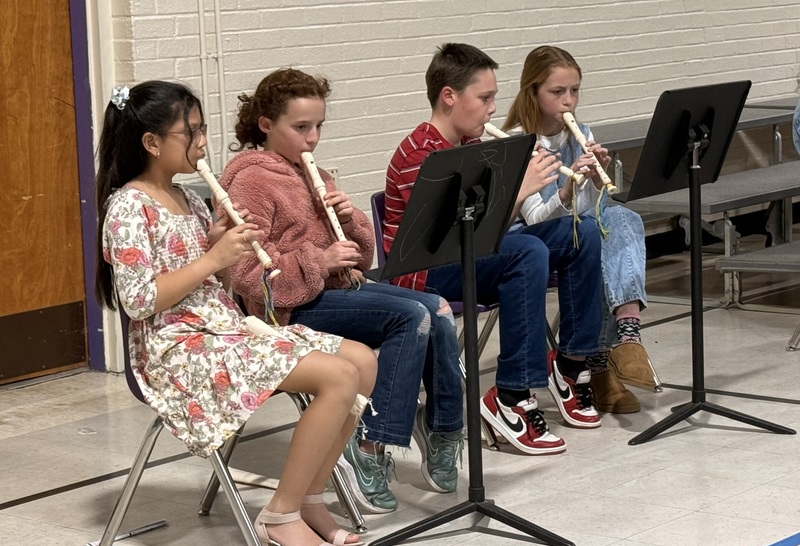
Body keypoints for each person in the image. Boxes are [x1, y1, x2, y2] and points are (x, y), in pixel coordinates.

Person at [94, 80, 377, 546]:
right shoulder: (127, 207)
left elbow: (216, 285)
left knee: (361, 359)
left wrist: (223, 248)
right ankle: (280, 515)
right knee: (336, 376)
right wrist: (214, 258)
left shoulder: (190, 199)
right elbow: (140, 301)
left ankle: (309, 499)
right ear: (152, 143)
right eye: (193, 133)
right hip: (173, 349)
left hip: (220, 328)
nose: (204, 143)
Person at [220, 68, 465, 514]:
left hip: (337, 294)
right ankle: (368, 444)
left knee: (439, 307)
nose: (312, 139)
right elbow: (246, 275)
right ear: (265, 125)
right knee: (414, 315)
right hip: (289, 311)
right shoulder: (251, 182)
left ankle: (445, 426)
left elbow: (363, 258)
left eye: (318, 127)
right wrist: (319, 261)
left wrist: (349, 217)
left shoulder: (317, 175)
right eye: (300, 128)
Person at [384, 43, 604, 456]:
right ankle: (511, 394)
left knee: (583, 232)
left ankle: (572, 364)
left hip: (469, 255)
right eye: (484, 98)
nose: (491, 109)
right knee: (526, 253)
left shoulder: (472, 144)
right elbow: (451, 240)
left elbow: (484, 234)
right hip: (426, 270)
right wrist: (518, 192)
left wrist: (565, 184)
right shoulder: (422, 153)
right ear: (449, 96)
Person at [503, 45, 656, 414]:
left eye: (574, 91)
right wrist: (568, 190)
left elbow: (587, 211)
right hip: (528, 239)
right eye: (557, 92)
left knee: (620, 217)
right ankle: (597, 363)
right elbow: (536, 216)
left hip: (573, 232)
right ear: (533, 92)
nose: (568, 101)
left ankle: (627, 335)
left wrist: (593, 180)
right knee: (593, 234)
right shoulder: (516, 142)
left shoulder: (580, 133)